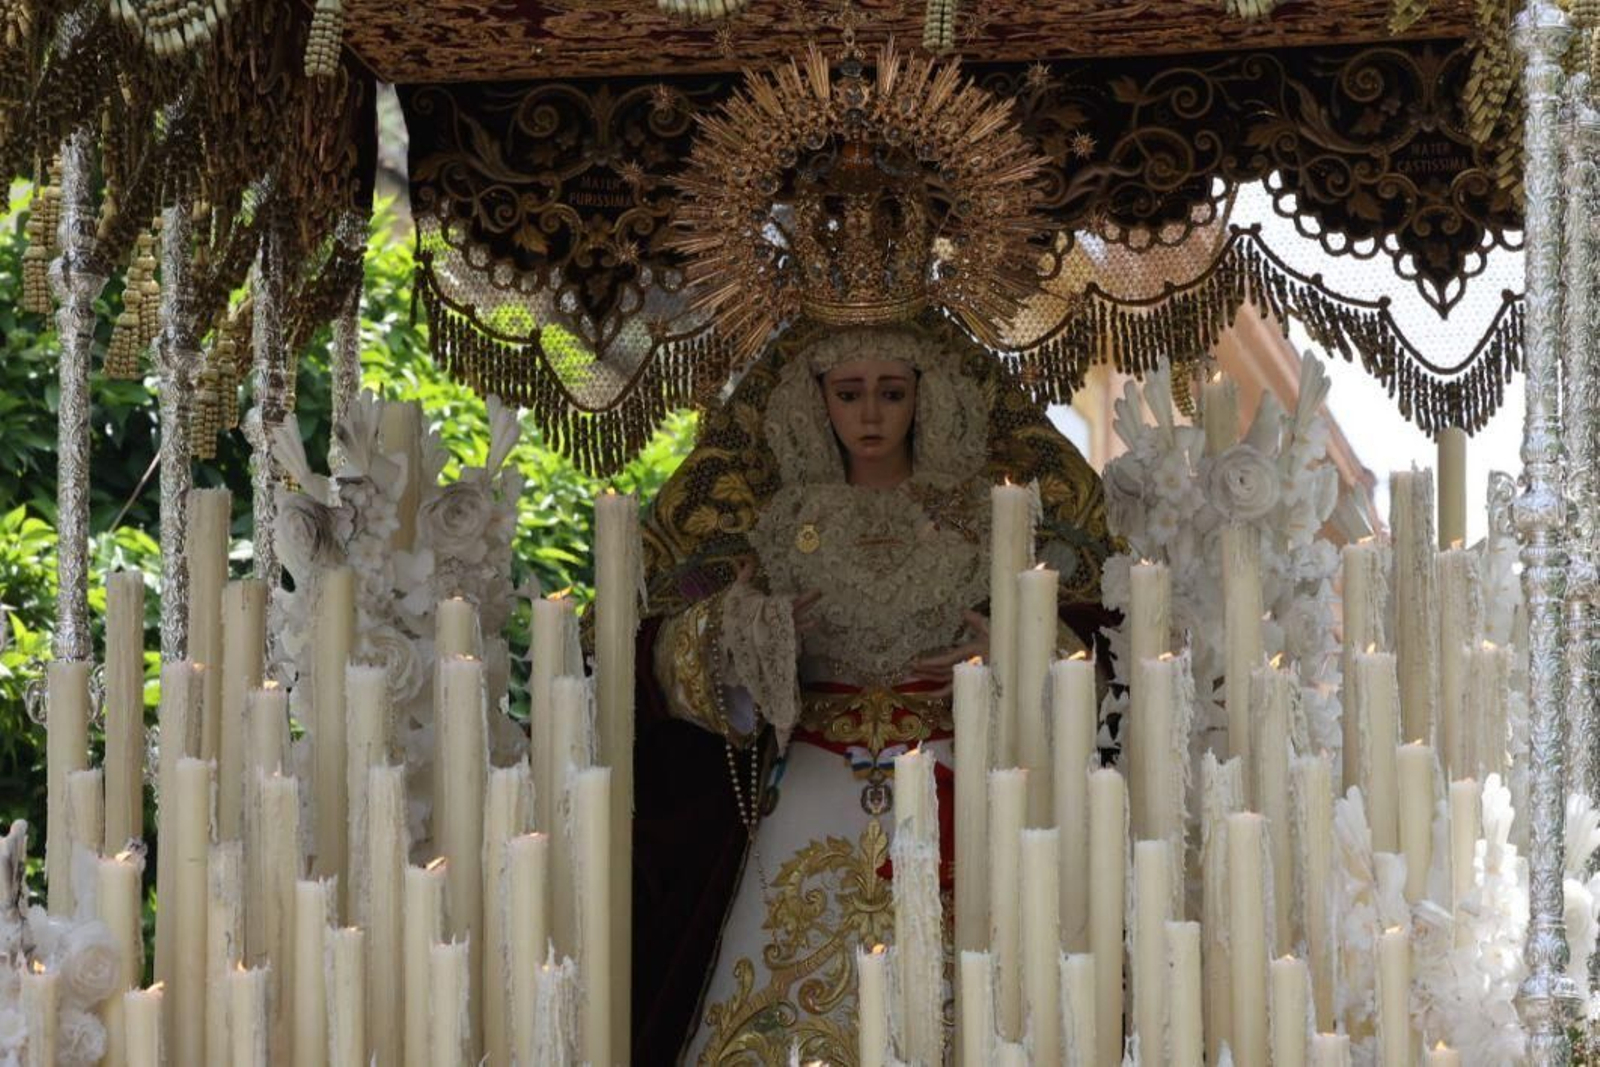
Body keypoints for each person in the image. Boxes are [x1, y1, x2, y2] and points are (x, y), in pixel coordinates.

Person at [630, 315, 1114, 1064]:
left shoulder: (982, 518)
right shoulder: (782, 519)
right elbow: (674, 655)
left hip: (954, 772)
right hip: (815, 775)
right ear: (815, 397)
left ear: (925, 394)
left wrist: (1018, 648)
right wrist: (748, 636)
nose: (870, 414)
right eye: (849, 392)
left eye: (891, 391)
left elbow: (1088, 661)